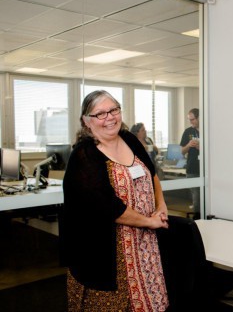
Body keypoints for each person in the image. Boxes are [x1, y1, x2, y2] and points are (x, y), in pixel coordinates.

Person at [61, 90, 169, 311]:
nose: (109, 117)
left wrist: (161, 206)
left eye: (113, 110)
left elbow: (152, 173)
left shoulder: (129, 138)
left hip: (145, 245)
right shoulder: (84, 155)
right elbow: (106, 207)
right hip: (106, 252)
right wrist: (149, 222)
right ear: (86, 121)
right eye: (100, 114)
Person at [180, 108, 200, 212]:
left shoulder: (208, 130)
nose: (191, 122)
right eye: (189, 120)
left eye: (192, 119)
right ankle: (197, 223)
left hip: (207, 170)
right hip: (192, 170)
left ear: (199, 118)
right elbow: (181, 152)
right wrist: (189, 145)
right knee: (197, 202)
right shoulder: (188, 132)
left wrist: (201, 148)